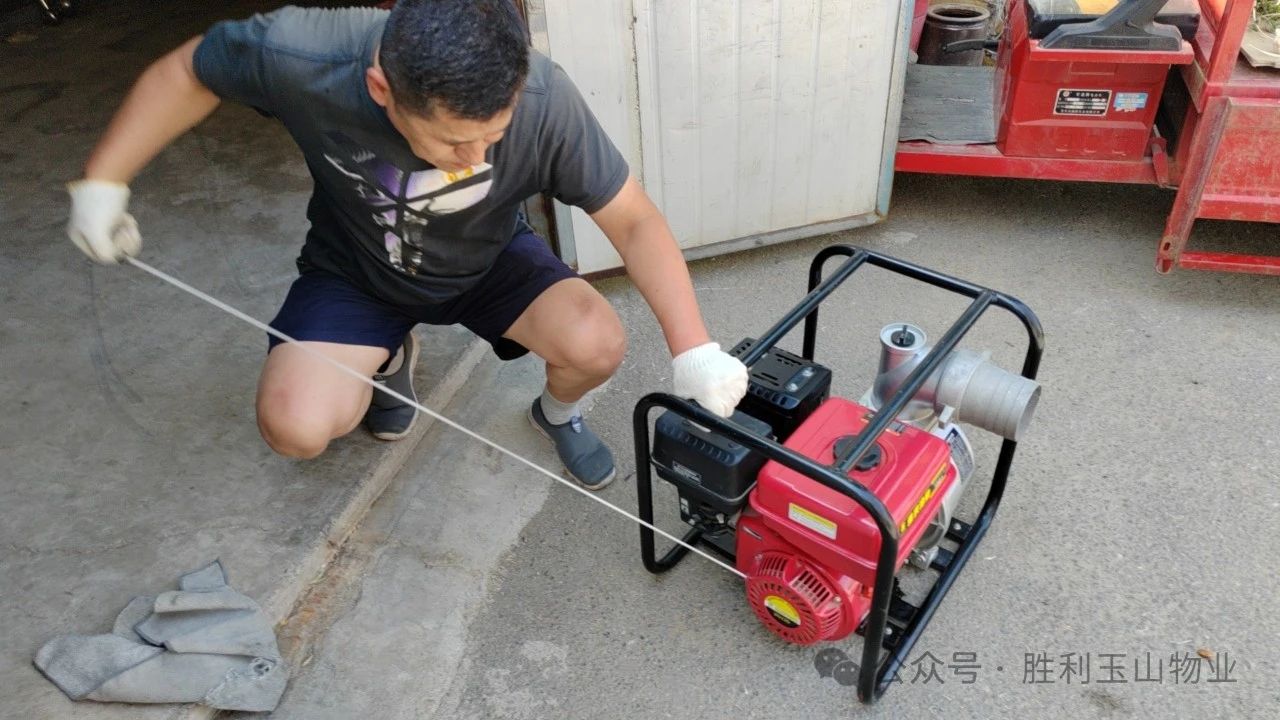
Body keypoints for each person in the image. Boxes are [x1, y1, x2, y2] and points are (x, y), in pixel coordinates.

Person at [65, 0, 748, 491]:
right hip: (357, 271)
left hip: (488, 261)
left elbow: (633, 219)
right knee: (295, 427)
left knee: (597, 343)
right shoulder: (305, 55)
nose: (476, 157)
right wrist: (103, 181)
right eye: (455, 141)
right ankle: (386, 356)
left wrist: (693, 348)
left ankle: (556, 414)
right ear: (380, 89)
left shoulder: (544, 97)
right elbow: (190, 70)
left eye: (494, 135)